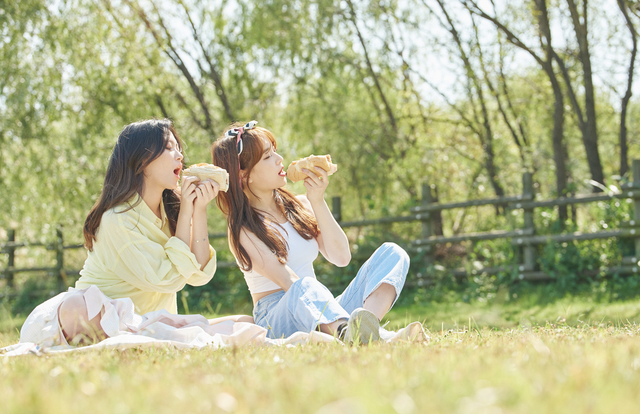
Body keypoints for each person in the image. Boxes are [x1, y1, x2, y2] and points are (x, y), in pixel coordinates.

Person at [20, 118, 251, 346]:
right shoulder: (117, 220)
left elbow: (199, 274)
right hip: (92, 320)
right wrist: (186, 214)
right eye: (169, 148)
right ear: (142, 161)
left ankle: (147, 338)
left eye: (178, 148)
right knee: (76, 307)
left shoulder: (170, 212)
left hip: (154, 325)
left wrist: (198, 209)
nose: (179, 155)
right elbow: (167, 278)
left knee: (245, 323)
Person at [211, 121, 409, 344]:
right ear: (244, 176)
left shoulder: (300, 205)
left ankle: (363, 330)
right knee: (303, 284)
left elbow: (341, 257)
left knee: (393, 253)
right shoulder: (243, 229)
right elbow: (289, 282)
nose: (279, 159)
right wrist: (322, 304)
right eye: (267, 157)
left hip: (318, 307)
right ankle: (350, 333)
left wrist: (317, 200)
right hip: (277, 317)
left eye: (275, 151)